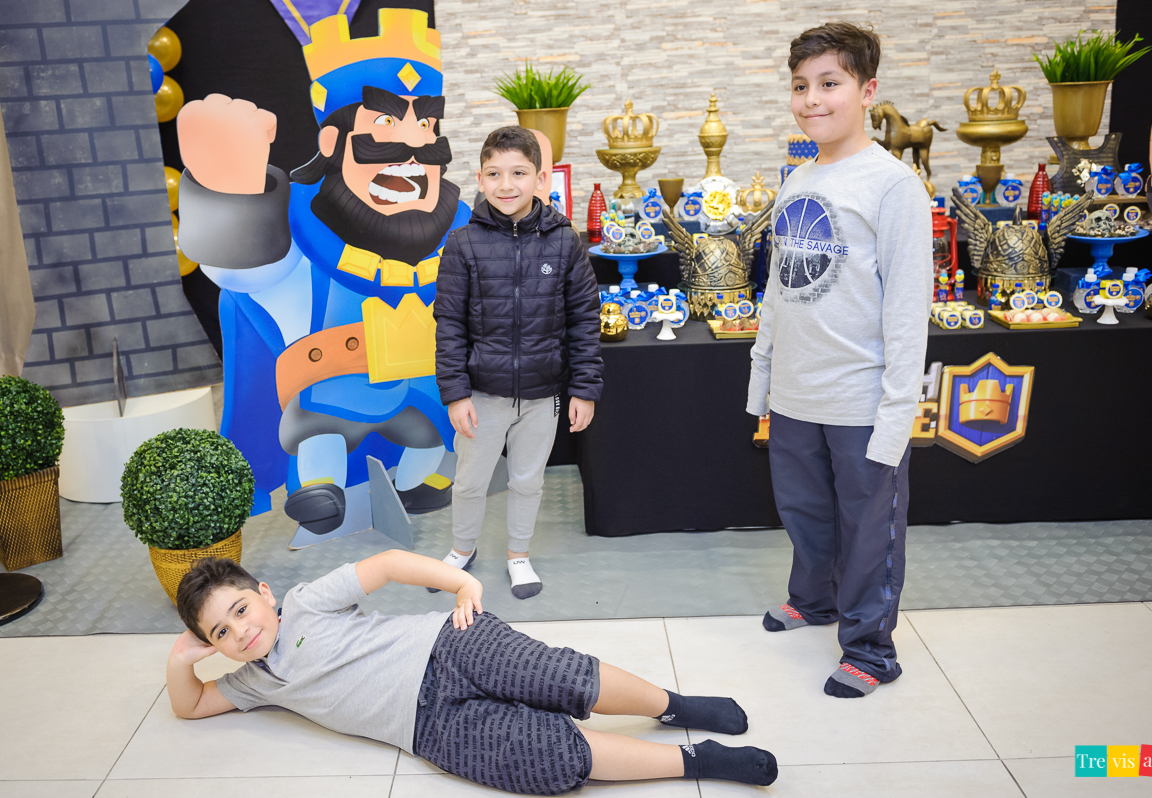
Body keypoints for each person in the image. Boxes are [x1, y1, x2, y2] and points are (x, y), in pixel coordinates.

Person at [167, 555, 778, 794]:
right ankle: (699, 762)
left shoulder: (304, 601)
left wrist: (461, 583)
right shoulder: (252, 682)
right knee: (545, 761)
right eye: (221, 633)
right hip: (429, 726)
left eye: (241, 610)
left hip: (445, 646)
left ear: (263, 593)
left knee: (560, 678)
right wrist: (178, 663)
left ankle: (673, 705)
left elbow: (383, 567)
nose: (241, 632)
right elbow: (190, 707)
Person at [747, 22, 933, 698]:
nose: (812, 100)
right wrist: (762, 378)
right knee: (806, 515)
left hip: (860, 399)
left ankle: (870, 649)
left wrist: (896, 414)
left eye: (830, 84)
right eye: (801, 86)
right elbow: (779, 288)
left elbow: (908, 311)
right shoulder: (798, 178)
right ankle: (813, 600)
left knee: (867, 532)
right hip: (797, 393)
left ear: (867, 90)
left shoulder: (894, 186)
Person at [432, 126, 603, 599]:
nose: (506, 185)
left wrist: (585, 389)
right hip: (482, 394)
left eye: (519, 173)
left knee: (529, 481)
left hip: (544, 393)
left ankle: (518, 555)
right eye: (495, 174)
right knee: (469, 481)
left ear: (540, 179)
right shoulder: (463, 243)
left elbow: (584, 319)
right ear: (480, 179)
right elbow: (448, 323)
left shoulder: (565, 242)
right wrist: (456, 393)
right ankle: (461, 551)